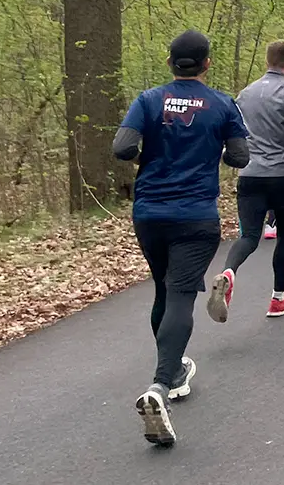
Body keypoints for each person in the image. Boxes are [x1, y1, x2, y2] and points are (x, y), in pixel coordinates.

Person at [112, 30, 249, 447]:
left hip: (150, 212)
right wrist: (215, 150)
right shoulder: (224, 104)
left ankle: (172, 373)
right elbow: (240, 157)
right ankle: (159, 386)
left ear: (170, 62)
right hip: (195, 215)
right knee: (180, 296)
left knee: (163, 290)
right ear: (207, 64)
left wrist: (152, 153)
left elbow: (122, 148)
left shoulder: (149, 99)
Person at [207, 39, 284, 329]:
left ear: (268, 61)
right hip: (283, 175)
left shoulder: (245, 94)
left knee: (250, 236)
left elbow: (234, 133)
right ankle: (278, 298)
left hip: (250, 174)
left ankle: (229, 273)